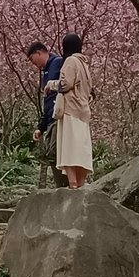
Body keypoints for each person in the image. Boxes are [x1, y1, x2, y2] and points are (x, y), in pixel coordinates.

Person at [45, 33, 93, 189]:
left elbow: (66, 84)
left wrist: (51, 85)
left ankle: (72, 183)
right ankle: (80, 183)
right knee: (82, 148)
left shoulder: (71, 61)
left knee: (69, 148)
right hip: (83, 110)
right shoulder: (84, 63)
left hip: (71, 109)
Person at [26, 41, 67, 188]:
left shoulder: (57, 63)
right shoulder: (45, 72)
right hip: (50, 120)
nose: (33, 64)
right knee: (52, 156)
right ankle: (62, 187)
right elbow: (47, 100)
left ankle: (66, 188)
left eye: (32, 59)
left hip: (59, 118)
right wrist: (41, 127)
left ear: (39, 53)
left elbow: (64, 86)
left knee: (54, 154)